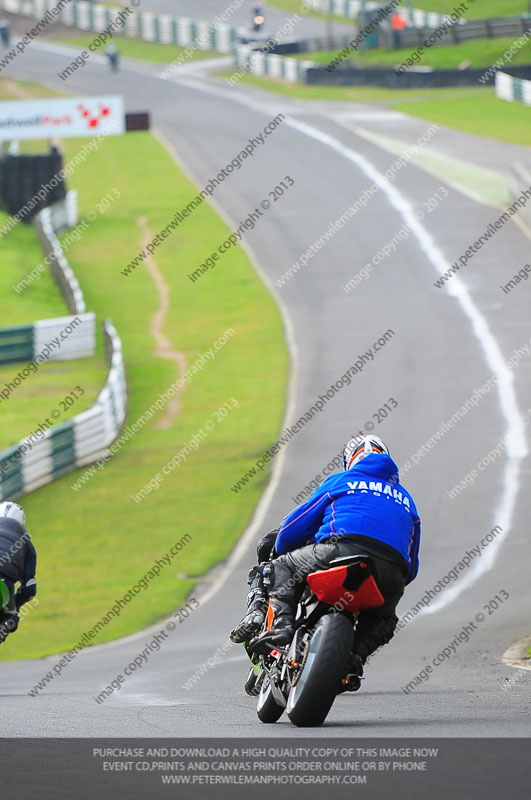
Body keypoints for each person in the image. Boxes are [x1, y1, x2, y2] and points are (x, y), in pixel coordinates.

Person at [244, 436, 421, 689]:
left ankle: (282, 626)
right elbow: (412, 565)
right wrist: (392, 576)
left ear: (349, 461)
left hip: (338, 551)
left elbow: (295, 527)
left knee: (284, 566)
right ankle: (354, 660)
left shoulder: (340, 480)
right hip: (391, 571)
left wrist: (284, 551)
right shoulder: (406, 499)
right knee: (384, 619)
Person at [0, 501, 37, 643]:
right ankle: (7, 624)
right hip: (4, 585)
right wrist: (17, 604)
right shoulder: (27, 543)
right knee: (9, 614)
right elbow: (29, 589)